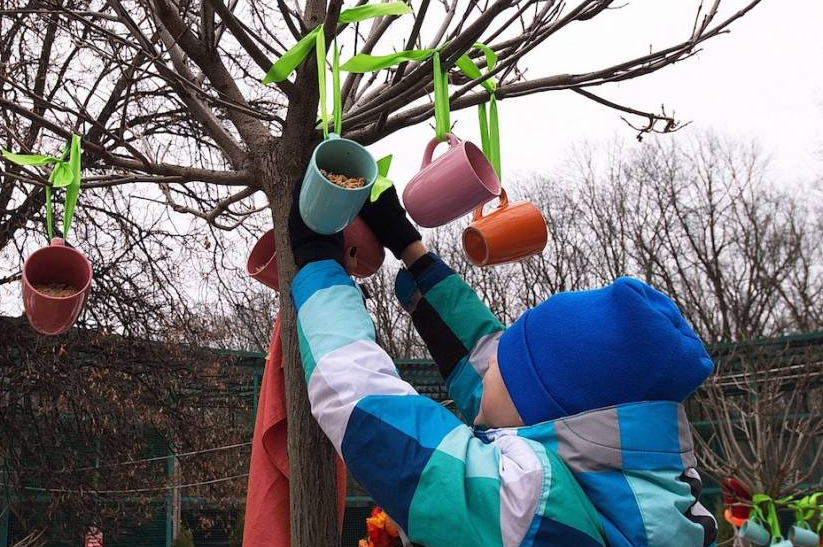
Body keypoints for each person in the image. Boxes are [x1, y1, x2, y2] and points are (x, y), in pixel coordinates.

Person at [288, 184, 718, 547]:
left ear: (539, 410)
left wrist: (317, 266)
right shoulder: (630, 485)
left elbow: (365, 410)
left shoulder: (531, 502)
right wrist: (410, 249)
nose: (486, 369)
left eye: (501, 369)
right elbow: (488, 362)